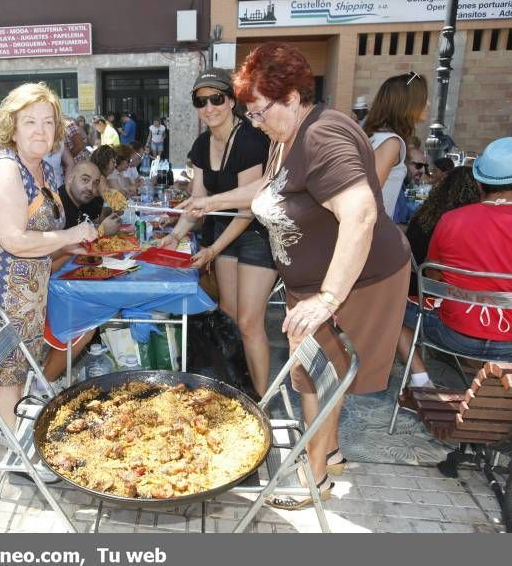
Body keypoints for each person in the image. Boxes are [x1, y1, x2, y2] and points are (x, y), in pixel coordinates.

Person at [180, 43, 411, 508]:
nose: (256, 122)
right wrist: (212, 202)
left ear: (291, 96)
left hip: (357, 280)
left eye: (260, 111)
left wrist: (327, 297)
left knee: (316, 377)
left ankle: (314, 478)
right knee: (320, 373)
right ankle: (332, 453)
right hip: (312, 279)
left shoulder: (323, 136)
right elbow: (269, 185)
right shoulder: (287, 134)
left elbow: (362, 213)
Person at [0, 82, 97, 426]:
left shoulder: (45, 170)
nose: (41, 129)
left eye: (48, 122)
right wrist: (72, 233)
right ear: (12, 127)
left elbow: (39, 233)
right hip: (0, 297)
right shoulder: (6, 169)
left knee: (22, 374)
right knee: (9, 377)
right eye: (30, 121)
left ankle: (20, 435)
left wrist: (66, 245)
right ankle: (13, 450)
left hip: (30, 296)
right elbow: (14, 240)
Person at [157, 67, 277, 398]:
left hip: (255, 234)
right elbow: (198, 202)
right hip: (225, 230)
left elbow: (247, 206)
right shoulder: (201, 144)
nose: (209, 107)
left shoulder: (251, 139)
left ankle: (262, 401)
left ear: (231, 100)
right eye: (201, 101)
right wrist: (176, 234)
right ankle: (241, 387)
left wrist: (212, 249)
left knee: (251, 323)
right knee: (229, 315)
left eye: (216, 98)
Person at [396, 137, 512, 390]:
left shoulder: (450, 220)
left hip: (454, 334)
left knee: (390, 311)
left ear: (480, 182)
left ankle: (422, 381)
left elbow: (431, 279)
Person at [42, 161, 121, 381]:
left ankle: (47, 374)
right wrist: (101, 231)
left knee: (103, 304)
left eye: (95, 183)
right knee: (87, 322)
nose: (91, 188)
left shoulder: (84, 203)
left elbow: (113, 208)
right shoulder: (56, 208)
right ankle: (45, 383)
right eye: (84, 180)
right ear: (68, 178)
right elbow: (47, 261)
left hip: (68, 280)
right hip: (46, 286)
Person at [404, 166, 481, 295]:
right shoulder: (458, 223)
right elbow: (435, 272)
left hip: (412, 284)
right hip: (434, 292)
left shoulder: (424, 214)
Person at [363, 71, 429, 219]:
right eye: (423, 99)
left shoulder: (380, 136)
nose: (428, 104)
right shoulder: (390, 142)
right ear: (407, 103)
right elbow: (368, 195)